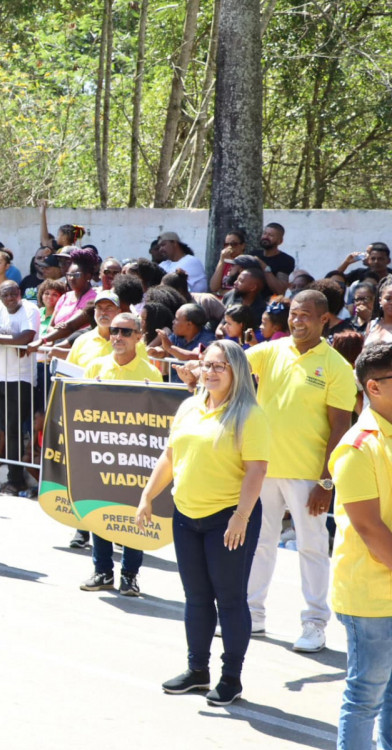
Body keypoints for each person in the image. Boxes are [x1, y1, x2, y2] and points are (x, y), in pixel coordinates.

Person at [138, 340, 267, 707]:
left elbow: (257, 469)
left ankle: (231, 678)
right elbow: (170, 456)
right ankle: (198, 671)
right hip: (186, 516)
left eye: (219, 366)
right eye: (207, 364)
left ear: (236, 372)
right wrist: (147, 497)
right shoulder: (189, 407)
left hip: (228, 520)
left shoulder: (249, 415)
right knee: (196, 598)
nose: (210, 372)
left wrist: (241, 516)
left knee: (229, 600)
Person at [242, 290, 355, 651]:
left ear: (324, 320)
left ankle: (314, 623)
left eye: (305, 315)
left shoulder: (337, 367)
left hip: (309, 475)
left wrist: (327, 480)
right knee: (259, 544)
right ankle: (252, 614)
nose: (297, 320)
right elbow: (232, 362)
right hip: (263, 468)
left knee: (312, 547)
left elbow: (340, 426)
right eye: (293, 313)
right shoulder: (270, 350)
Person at [329, 342, 392, 748]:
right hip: (369, 596)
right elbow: (370, 530)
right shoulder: (358, 447)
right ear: (375, 387)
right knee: (365, 697)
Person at [80, 312, 162, 596]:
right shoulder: (95, 367)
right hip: (102, 454)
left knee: (133, 515)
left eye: (126, 332)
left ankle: (130, 574)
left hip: (135, 456)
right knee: (101, 511)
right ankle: (102, 571)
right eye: (114, 331)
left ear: (139, 337)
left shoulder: (151, 373)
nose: (118, 337)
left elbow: (157, 417)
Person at [0, 280, 41, 496]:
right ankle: (12, 477)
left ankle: (15, 481)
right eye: (5, 295)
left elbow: (27, 336)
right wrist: (9, 340)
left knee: (15, 430)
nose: (10, 299)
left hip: (22, 378)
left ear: (20, 294)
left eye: (13, 295)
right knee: (6, 429)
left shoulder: (30, 309)